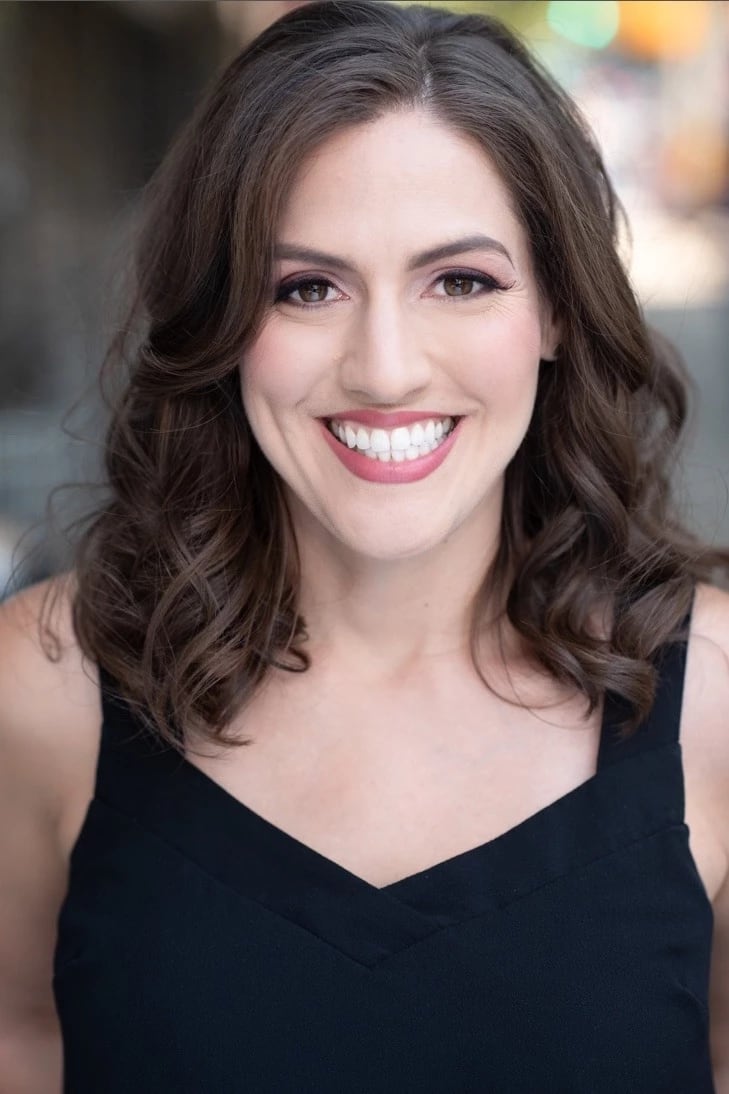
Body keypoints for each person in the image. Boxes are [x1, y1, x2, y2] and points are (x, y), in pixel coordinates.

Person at [1, 1, 728, 1090]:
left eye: (462, 280)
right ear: (222, 321)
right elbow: (21, 1035)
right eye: (307, 287)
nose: (385, 367)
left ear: (560, 312)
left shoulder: (718, 693)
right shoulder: (42, 684)